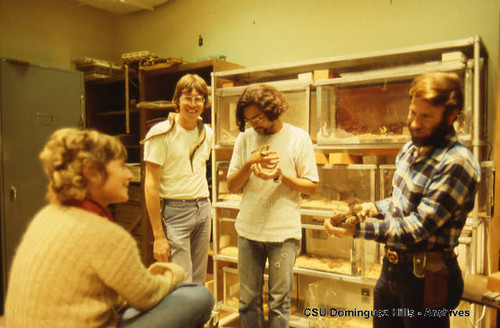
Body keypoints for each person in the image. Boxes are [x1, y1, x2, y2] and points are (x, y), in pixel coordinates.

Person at [5, 128, 214, 328]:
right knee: (198, 295)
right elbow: (146, 295)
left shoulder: (46, 215)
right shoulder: (105, 234)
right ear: (92, 173)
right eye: (122, 166)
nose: (129, 176)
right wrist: (172, 272)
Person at [324, 72, 480, 328]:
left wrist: (358, 229)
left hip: (427, 276)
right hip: (391, 269)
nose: (415, 123)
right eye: (412, 113)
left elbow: (417, 227)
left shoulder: (457, 162)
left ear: (451, 115)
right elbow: (401, 201)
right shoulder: (411, 148)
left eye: (426, 116)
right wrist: (373, 208)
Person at [227, 84, 319, 328]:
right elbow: (231, 185)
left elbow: (312, 186)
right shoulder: (245, 139)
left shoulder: (298, 138)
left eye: (258, 117)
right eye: (248, 119)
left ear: (273, 109)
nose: (254, 124)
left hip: (283, 233)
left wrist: (280, 176)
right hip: (248, 231)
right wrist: (249, 164)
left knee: (279, 303)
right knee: (248, 300)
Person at [142, 74, 213, 284]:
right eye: (187, 98)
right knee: (182, 281)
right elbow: (151, 185)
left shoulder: (207, 132)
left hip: (203, 208)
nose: (193, 104)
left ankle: (198, 318)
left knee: (198, 282)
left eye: (199, 98)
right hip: (175, 212)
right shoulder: (161, 133)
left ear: (205, 102)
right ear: (177, 100)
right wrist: (158, 236)